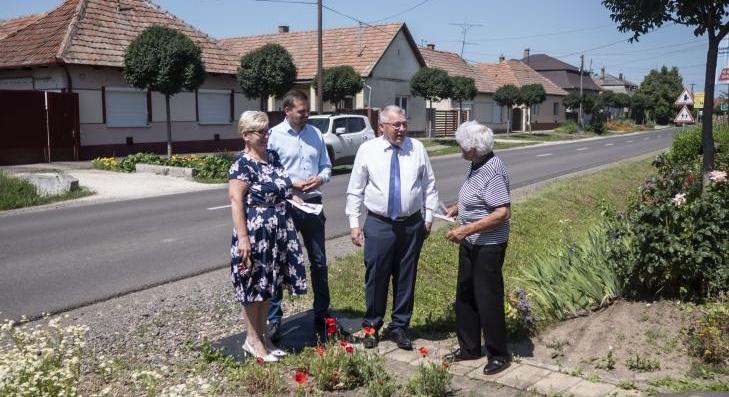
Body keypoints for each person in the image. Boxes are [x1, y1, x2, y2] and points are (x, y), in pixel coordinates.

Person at [345, 105, 439, 350]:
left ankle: (399, 327)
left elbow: (429, 185)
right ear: (382, 127)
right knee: (376, 276)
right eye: (396, 125)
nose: (401, 129)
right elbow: (355, 189)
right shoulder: (368, 150)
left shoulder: (416, 148)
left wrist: (428, 218)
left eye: (404, 124)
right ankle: (372, 327)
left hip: (411, 224)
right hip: (379, 224)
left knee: (406, 277)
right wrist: (354, 224)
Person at [228, 110, 308, 362]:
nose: (266, 136)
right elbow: (236, 201)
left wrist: (294, 193)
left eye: (267, 131)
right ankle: (252, 340)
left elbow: (280, 186)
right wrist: (243, 239)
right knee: (252, 288)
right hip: (255, 233)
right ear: (246, 135)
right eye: (260, 132)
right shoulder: (241, 164)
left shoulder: (272, 157)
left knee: (268, 287)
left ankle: (263, 337)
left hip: (278, 232)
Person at [443, 120, 512, 375]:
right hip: (472, 243)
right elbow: (475, 197)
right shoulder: (477, 164)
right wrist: (457, 208)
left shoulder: (492, 169)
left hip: (488, 245)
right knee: (466, 294)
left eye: (462, 144)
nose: (459, 148)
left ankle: (498, 354)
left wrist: (466, 229)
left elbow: (502, 213)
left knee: (487, 298)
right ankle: (469, 348)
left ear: (474, 148)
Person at [267, 89, 333, 341]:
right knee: (279, 261)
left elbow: (326, 165)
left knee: (319, 259)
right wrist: (291, 183)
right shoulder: (273, 136)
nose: (306, 115)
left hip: (313, 204)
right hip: (286, 205)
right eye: (301, 111)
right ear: (287, 111)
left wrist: (321, 177)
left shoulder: (315, 133)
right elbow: (269, 172)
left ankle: (322, 311)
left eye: (307, 111)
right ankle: (274, 318)